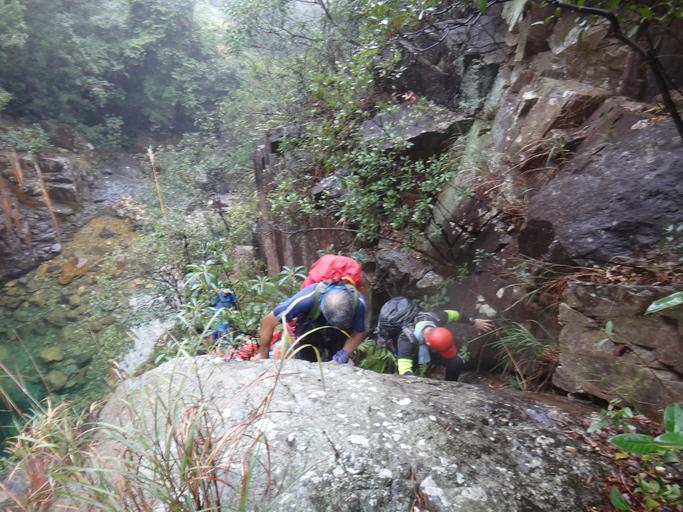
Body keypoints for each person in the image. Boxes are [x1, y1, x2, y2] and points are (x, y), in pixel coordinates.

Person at [376, 297, 494, 381]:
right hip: (412, 353)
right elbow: (404, 367)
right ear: (428, 343)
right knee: (409, 372)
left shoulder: (436, 318)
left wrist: (474, 322)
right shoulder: (406, 340)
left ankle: (450, 387)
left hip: (427, 347)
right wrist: (414, 383)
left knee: (456, 362)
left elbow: (454, 314)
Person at [256, 281, 366, 363]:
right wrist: (263, 356)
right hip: (310, 332)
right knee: (304, 358)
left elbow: (359, 331)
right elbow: (267, 322)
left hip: (338, 335)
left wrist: (344, 353)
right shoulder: (305, 300)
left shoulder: (358, 303)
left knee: (341, 362)